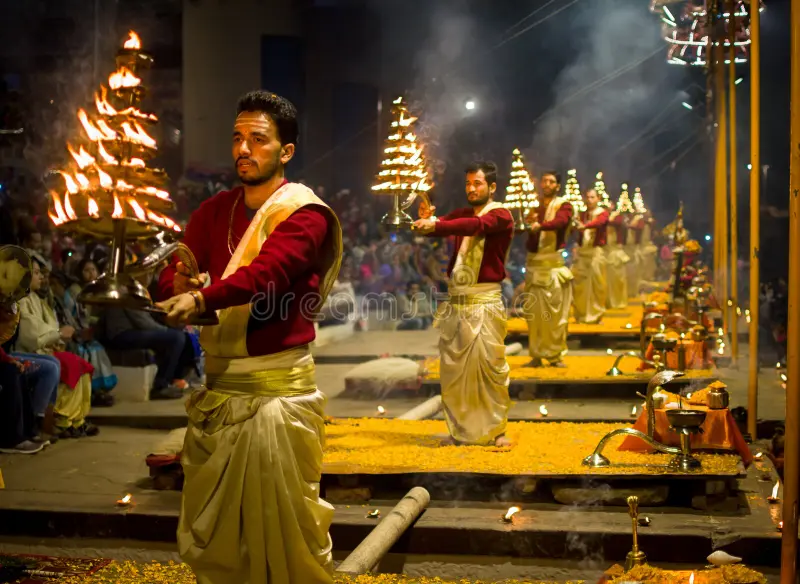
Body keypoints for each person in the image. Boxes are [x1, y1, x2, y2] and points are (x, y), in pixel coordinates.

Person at [156, 90, 342, 584]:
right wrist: (179, 284)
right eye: (237, 138)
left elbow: (270, 273)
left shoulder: (306, 213)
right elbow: (175, 268)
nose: (243, 149)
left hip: (277, 398)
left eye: (258, 139)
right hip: (218, 395)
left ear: (286, 152)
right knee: (216, 536)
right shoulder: (215, 211)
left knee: (286, 534)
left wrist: (201, 299)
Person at [413, 161, 513, 447]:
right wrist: (427, 221)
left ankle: (495, 431)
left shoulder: (501, 214)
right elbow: (444, 225)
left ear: (492, 187)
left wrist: (438, 224)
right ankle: (460, 431)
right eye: (468, 183)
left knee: (488, 369)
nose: (471, 188)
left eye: (477, 183)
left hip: (484, 301)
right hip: (457, 302)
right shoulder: (462, 214)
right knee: (454, 371)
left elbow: (476, 225)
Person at [522, 171, 573, 367]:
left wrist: (540, 226)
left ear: (557, 185)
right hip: (534, 268)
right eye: (544, 180)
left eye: (551, 181)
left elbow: (560, 222)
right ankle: (536, 354)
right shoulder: (534, 205)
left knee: (554, 317)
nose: (547, 184)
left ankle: (554, 355)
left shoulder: (564, 205)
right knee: (534, 315)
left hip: (552, 270)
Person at [572, 188, 609, 324]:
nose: (589, 200)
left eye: (592, 197)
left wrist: (585, 226)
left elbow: (600, 223)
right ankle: (581, 314)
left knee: (597, 285)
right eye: (587, 197)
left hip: (595, 253)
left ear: (598, 199)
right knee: (580, 285)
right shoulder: (582, 214)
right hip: (583, 253)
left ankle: (596, 314)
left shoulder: (603, 213)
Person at [606, 203, 630, 309]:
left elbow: (616, 223)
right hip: (606, 252)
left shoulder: (617, 216)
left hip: (616, 252)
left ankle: (618, 302)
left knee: (618, 280)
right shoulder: (604, 216)